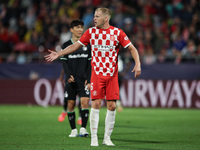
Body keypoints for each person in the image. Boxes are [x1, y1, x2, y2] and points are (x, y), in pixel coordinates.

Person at [45, 8, 141, 146]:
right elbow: (75, 46)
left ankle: (107, 138)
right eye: (94, 16)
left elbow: (132, 48)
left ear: (106, 18)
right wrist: (59, 54)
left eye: (97, 16)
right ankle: (94, 138)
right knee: (95, 104)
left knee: (112, 106)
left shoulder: (117, 32)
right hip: (97, 75)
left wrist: (138, 64)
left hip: (112, 76)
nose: (94, 18)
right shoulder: (91, 32)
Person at [57, 20, 91, 137]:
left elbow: (90, 64)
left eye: (81, 27)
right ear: (71, 30)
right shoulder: (66, 45)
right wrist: (68, 75)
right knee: (70, 104)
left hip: (83, 80)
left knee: (85, 102)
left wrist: (89, 79)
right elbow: (64, 63)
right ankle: (73, 130)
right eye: (77, 27)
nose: (80, 29)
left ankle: (83, 129)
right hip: (71, 80)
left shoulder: (88, 45)